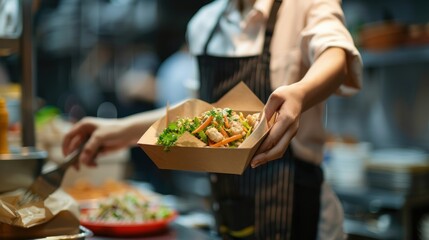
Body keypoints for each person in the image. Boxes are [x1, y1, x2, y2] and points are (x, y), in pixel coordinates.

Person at [62, 0, 362, 239]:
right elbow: (199, 114)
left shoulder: (304, 5)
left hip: (296, 205)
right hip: (228, 206)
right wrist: (118, 131)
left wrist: (300, 93)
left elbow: (335, 53)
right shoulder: (204, 23)